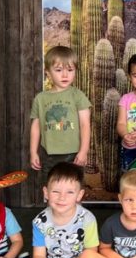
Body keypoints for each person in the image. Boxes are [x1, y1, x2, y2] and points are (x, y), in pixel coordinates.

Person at [4, 162, 97, 258]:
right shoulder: (40, 221)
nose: (62, 198)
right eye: (55, 192)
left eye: (70, 192)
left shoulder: (87, 219)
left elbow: (90, 254)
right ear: (46, 193)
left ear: (79, 195)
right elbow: (39, 256)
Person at [29, 46, 90, 175]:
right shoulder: (40, 98)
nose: (65, 75)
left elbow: (85, 125)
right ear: (48, 73)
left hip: (73, 153)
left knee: (72, 184)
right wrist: (33, 152)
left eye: (70, 70)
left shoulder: (78, 96)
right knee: (50, 184)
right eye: (58, 70)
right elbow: (36, 127)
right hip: (48, 154)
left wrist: (83, 151)